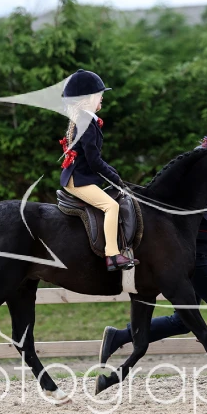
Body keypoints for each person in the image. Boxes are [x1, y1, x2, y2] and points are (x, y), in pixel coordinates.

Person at [99, 126, 207, 393]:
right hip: (191, 255)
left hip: (195, 252)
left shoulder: (202, 168)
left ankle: (120, 336)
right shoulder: (201, 173)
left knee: (182, 319)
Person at [59, 69, 138, 272]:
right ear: (88, 99)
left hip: (80, 176)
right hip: (78, 180)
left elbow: (94, 159)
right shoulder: (86, 122)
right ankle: (112, 255)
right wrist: (115, 178)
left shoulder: (85, 120)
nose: (102, 97)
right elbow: (94, 161)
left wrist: (114, 174)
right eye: (99, 94)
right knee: (111, 206)